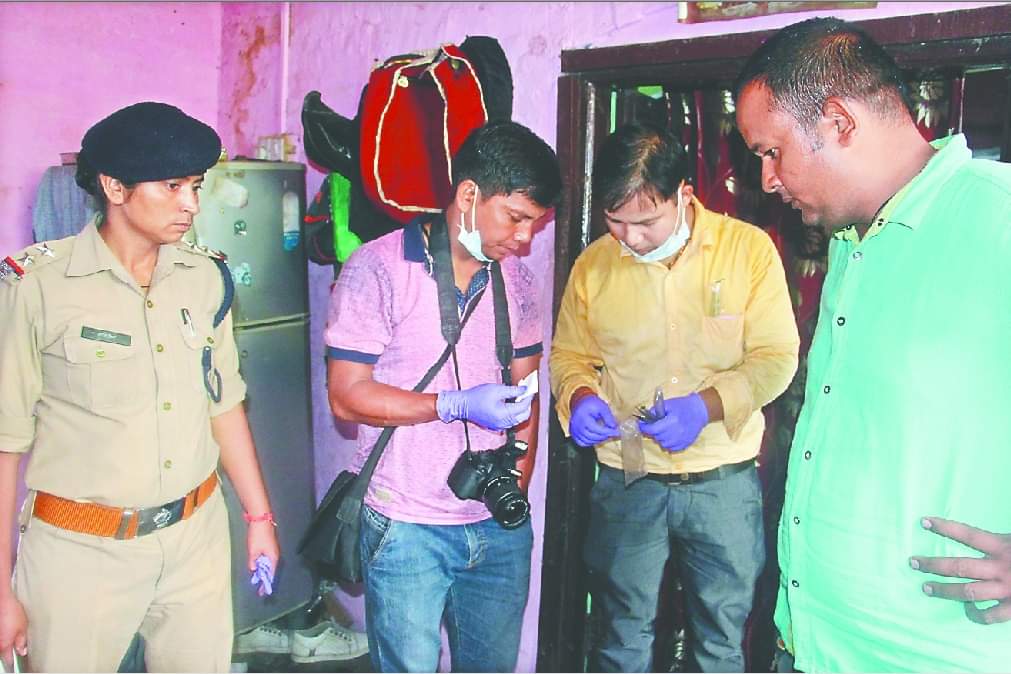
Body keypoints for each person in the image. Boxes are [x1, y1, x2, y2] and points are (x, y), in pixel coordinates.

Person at [734, 17, 1011, 671]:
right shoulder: (847, 242)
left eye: (771, 151)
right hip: (805, 644)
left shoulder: (995, 219)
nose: (767, 179)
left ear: (835, 121)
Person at [0, 102, 280, 672]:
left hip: (194, 540)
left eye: (197, 186)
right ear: (115, 187)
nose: (191, 205)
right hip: (79, 551)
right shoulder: (38, 287)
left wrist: (259, 519)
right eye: (173, 186)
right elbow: (6, 443)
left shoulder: (206, 278)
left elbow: (223, 405)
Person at [550, 122, 799, 672]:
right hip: (628, 478)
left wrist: (705, 406)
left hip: (722, 482)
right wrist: (582, 395)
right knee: (621, 634)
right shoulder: (594, 265)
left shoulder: (747, 251)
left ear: (684, 193)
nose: (630, 238)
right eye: (616, 222)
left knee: (720, 637)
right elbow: (569, 356)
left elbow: (777, 358)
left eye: (645, 221)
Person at [324, 120, 561, 672]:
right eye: (517, 217)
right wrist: (451, 404)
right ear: (470, 194)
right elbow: (345, 396)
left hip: (496, 526)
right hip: (407, 527)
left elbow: (527, 395)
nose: (525, 238)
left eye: (536, 222)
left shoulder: (517, 281)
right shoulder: (378, 269)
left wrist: (515, 491)